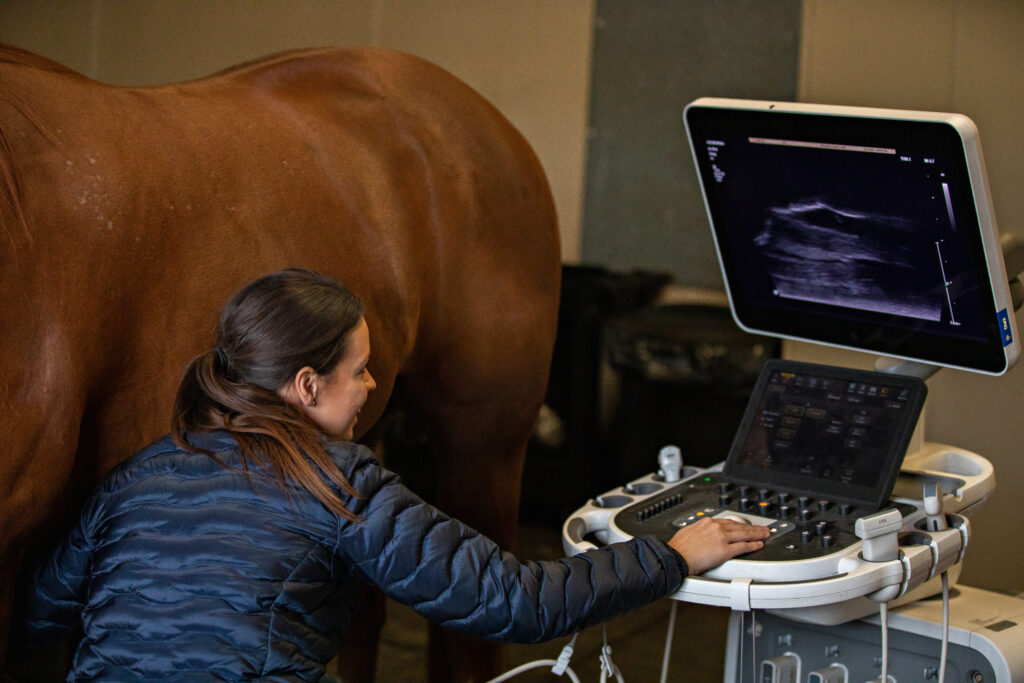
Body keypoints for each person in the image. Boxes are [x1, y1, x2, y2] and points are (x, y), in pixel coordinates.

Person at [21, 268, 769, 680]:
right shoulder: (336, 481)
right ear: (308, 386)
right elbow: (512, 600)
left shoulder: (136, 475)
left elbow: (40, 610)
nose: (375, 386)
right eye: (361, 369)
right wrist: (671, 554)